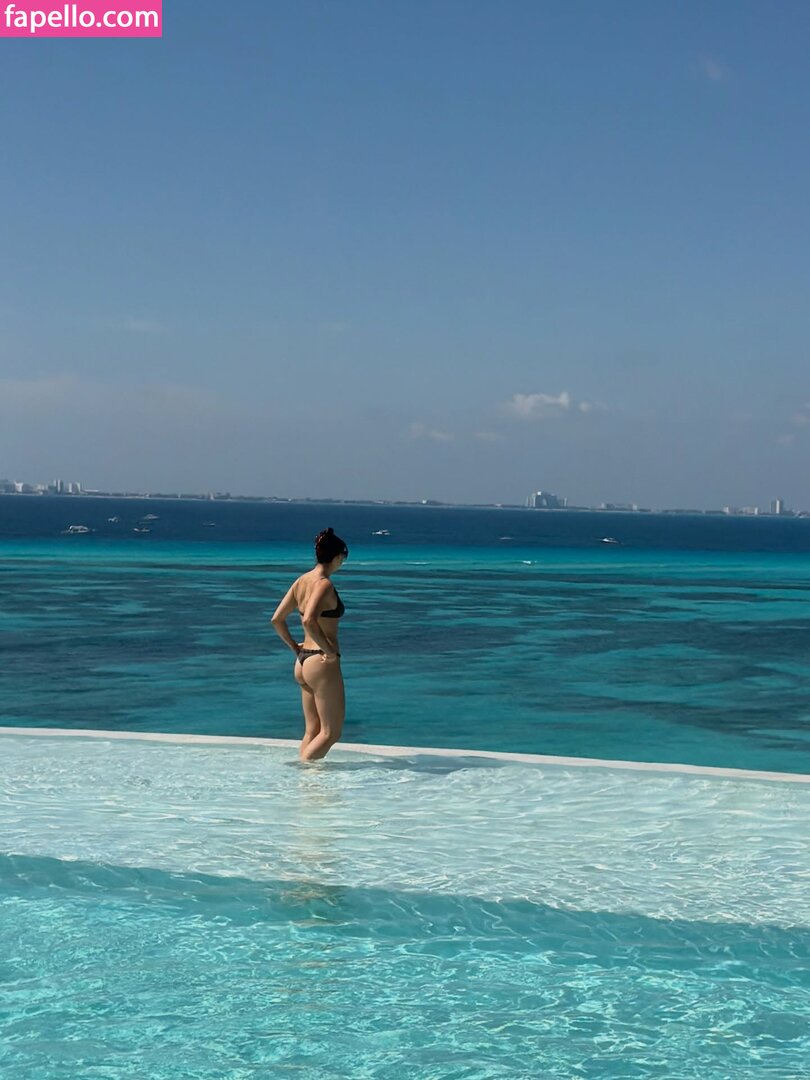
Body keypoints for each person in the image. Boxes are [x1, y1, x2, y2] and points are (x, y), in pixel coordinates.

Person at [271, 528, 348, 761]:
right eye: (343, 559)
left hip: (303, 659)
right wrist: (330, 652)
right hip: (321, 661)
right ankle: (305, 771)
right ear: (337, 557)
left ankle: (304, 779)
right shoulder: (323, 584)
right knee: (330, 733)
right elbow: (309, 620)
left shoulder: (301, 581)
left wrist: (294, 647)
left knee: (312, 731)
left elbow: (277, 619)